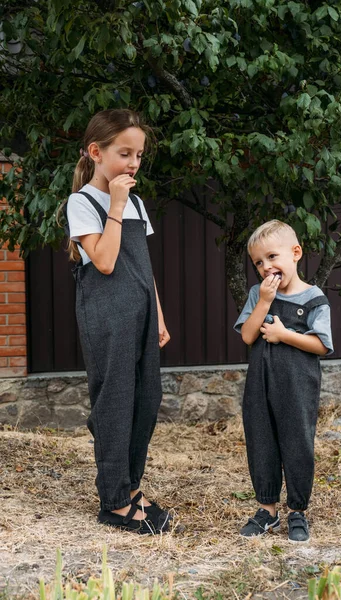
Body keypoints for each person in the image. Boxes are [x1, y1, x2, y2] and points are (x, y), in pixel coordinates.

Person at [62, 109, 171, 534]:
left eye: (139, 155)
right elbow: (105, 262)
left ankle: (129, 489)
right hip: (107, 317)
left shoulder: (137, 202)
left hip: (141, 314)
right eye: (124, 153)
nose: (133, 163)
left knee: (146, 399)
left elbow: (142, 266)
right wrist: (117, 205)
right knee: (114, 404)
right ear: (96, 152)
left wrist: (158, 314)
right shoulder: (83, 202)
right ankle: (113, 503)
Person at [233, 220, 333, 543]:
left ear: (295, 253)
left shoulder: (314, 299)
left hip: (297, 388)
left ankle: (297, 512)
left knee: (297, 443)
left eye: (272, 257)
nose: (266, 267)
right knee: (261, 440)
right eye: (259, 263)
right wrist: (263, 302)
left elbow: (322, 345)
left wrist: (284, 335)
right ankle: (267, 510)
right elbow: (248, 335)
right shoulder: (257, 294)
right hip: (260, 386)